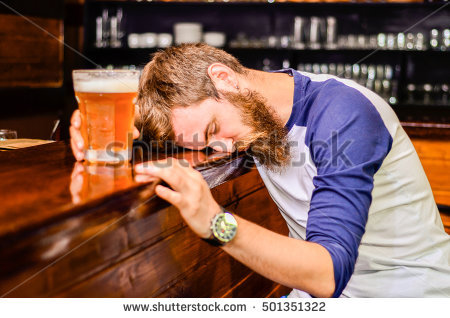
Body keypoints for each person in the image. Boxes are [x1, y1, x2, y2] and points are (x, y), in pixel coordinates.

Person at [70, 43, 450, 297]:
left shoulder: (342, 114)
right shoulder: (253, 123)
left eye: (212, 132)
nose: (217, 151)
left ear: (224, 78)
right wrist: (109, 123)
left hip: (406, 293)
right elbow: (178, 126)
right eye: (202, 146)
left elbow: (328, 273)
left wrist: (216, 222)